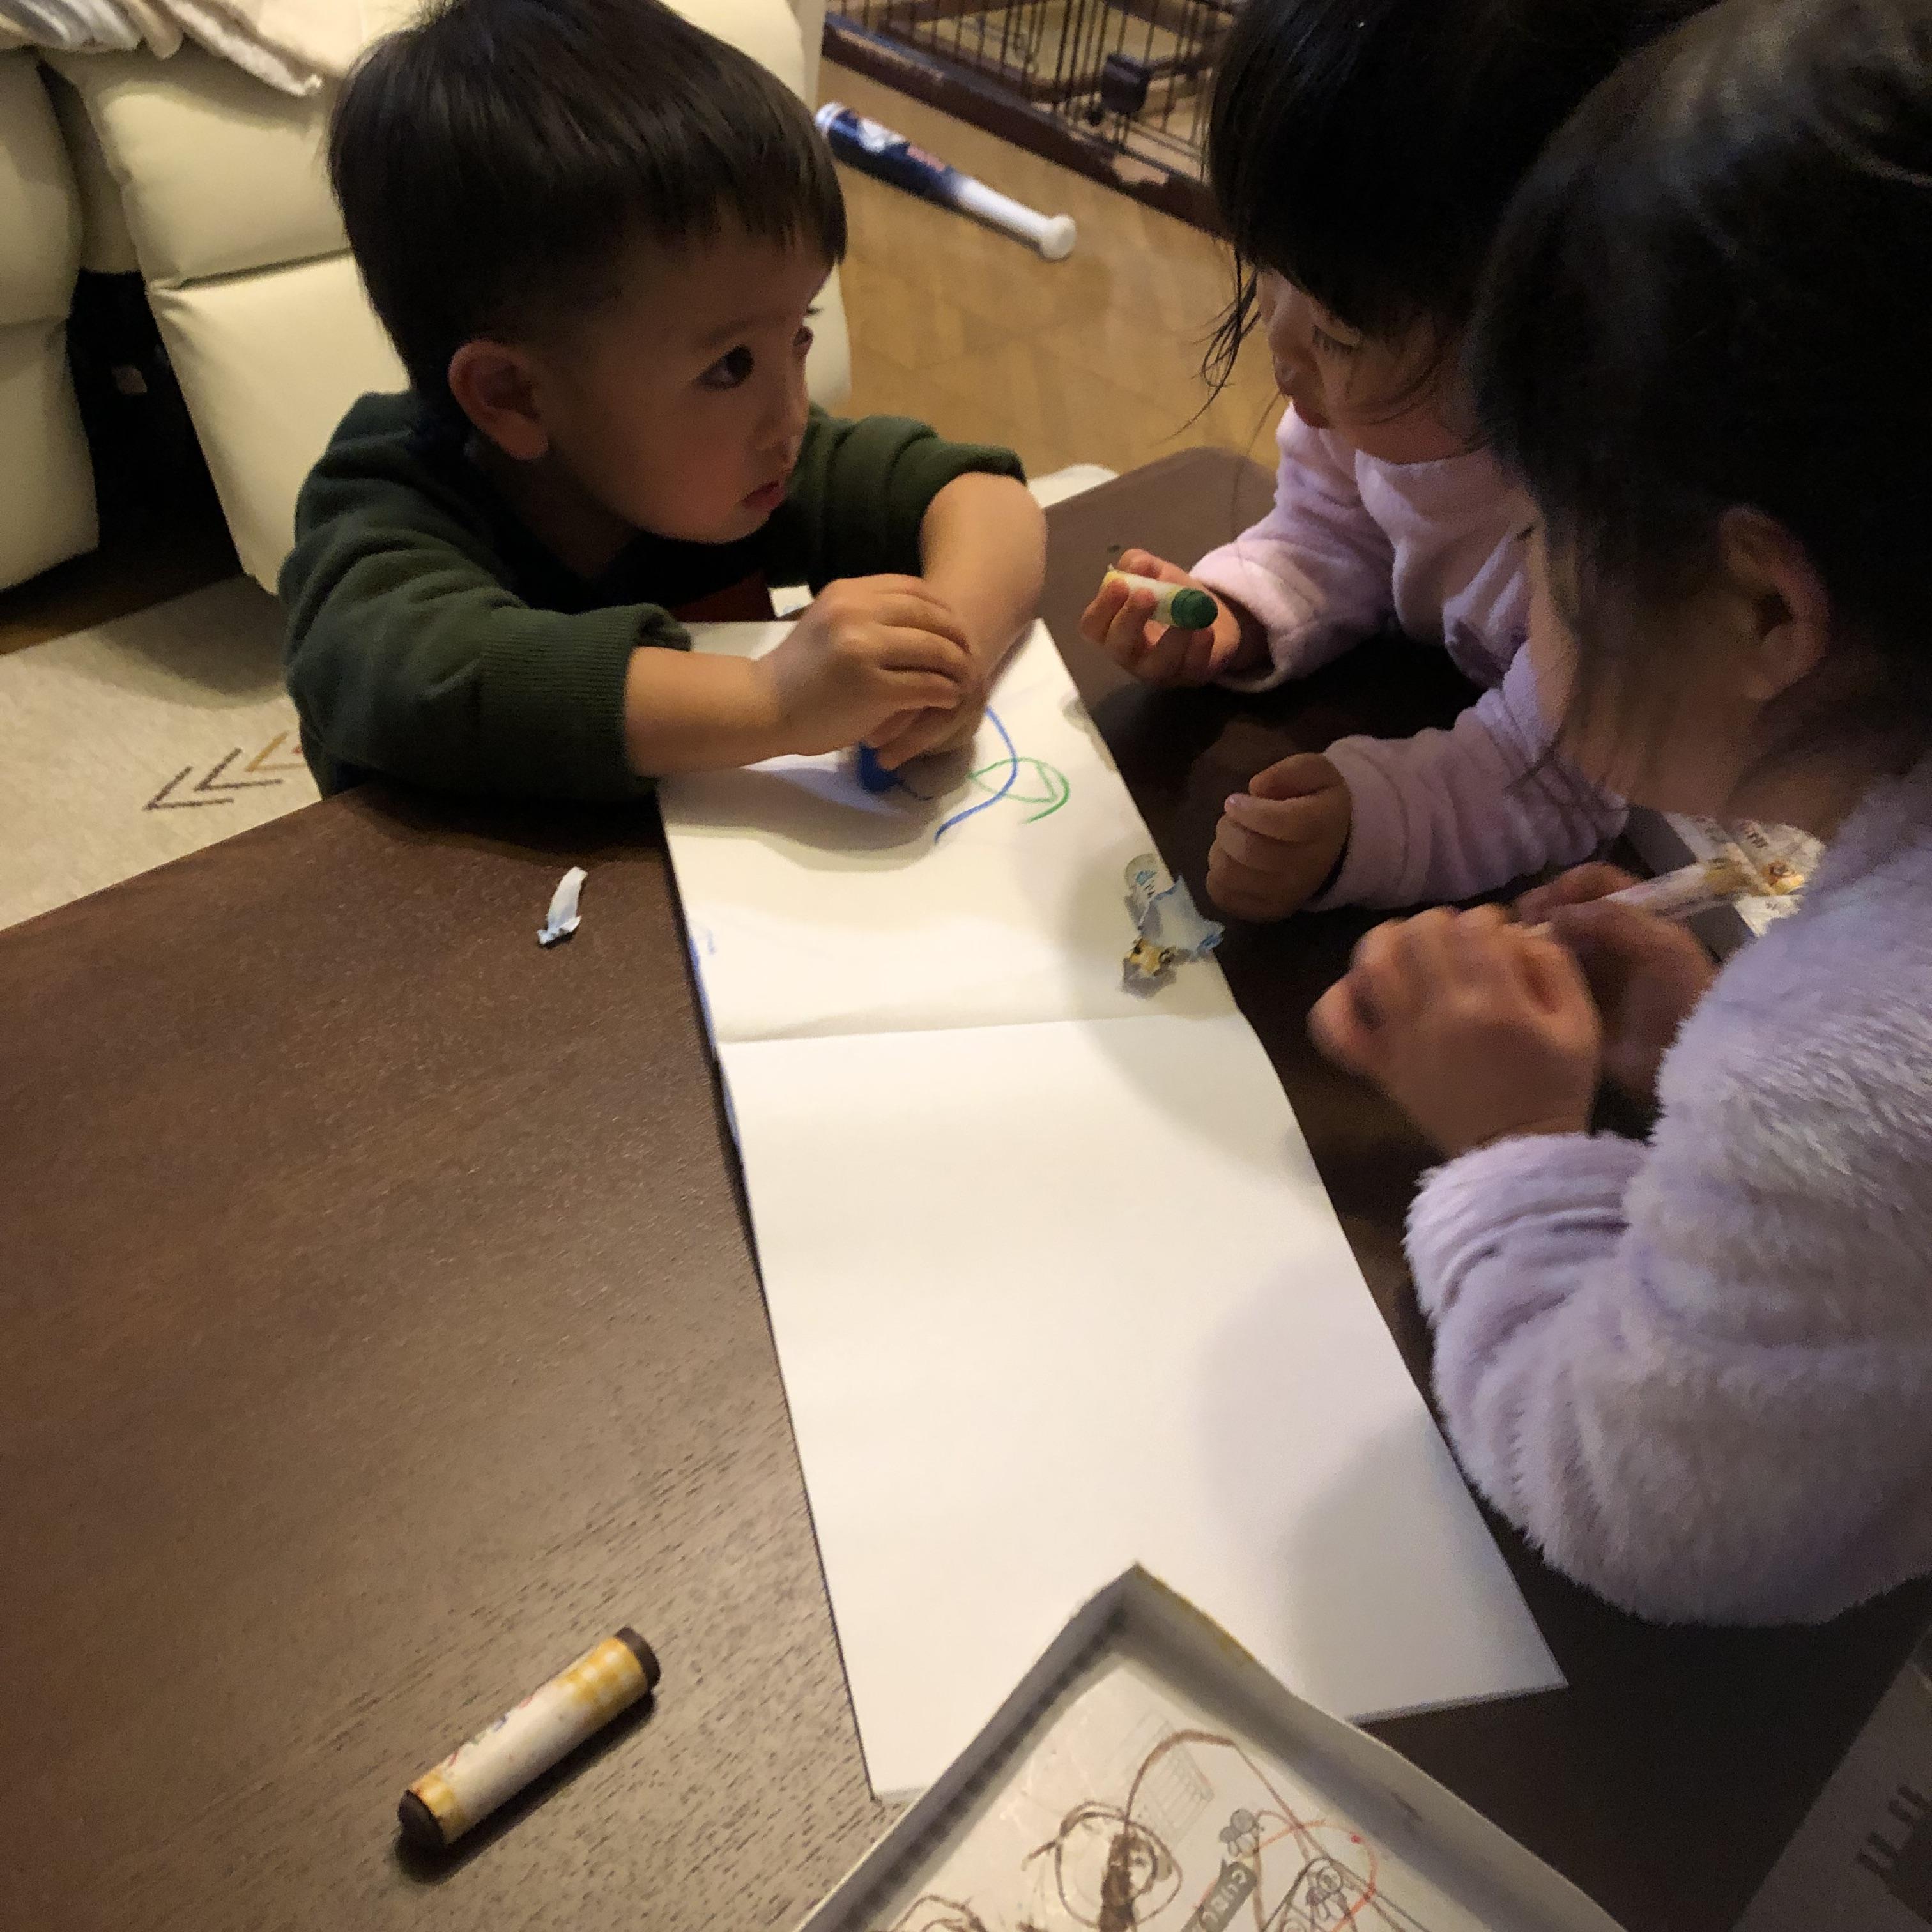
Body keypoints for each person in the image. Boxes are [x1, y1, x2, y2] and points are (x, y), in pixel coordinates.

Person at [1310, 0, 1932, 1621]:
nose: (1525, 586)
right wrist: (1711, 1040)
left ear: (1764, 610)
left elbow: (1640, 1507)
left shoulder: (1834, 1079)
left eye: (1544, 540)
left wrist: (1517, 1146)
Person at [281, 0, 1044, 800]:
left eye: (799, 333)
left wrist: (948, 657)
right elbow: (428, 683)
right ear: (515, 395)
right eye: (730, 367)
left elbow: (983, 498)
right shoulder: (382, 506)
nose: (791, 417)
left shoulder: (744, 465)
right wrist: (769, 700)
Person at [1080, 0, 1703, 921]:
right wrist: (1236, 612)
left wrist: (1368, 825)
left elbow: (1557, 781)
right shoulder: (1380, 411)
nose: (1280, 348)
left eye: (1337, 332)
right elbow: (1336, 529)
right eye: (1269, 270)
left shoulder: (1610, 540)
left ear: (1547, 335)